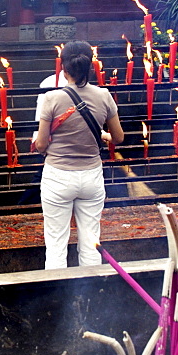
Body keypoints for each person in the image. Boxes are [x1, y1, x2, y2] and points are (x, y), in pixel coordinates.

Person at [35, 40, 124, 269]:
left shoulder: (51, 98)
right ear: (91, 67)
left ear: (64, 70)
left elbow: (42, 144)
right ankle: (93, 296)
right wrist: (103, 136)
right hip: (91, 176)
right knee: (91, 241)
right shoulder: (104, 96)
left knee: (56, 244)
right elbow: (119, 138)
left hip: (58, 176)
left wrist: (40, 142)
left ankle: (57, 297)